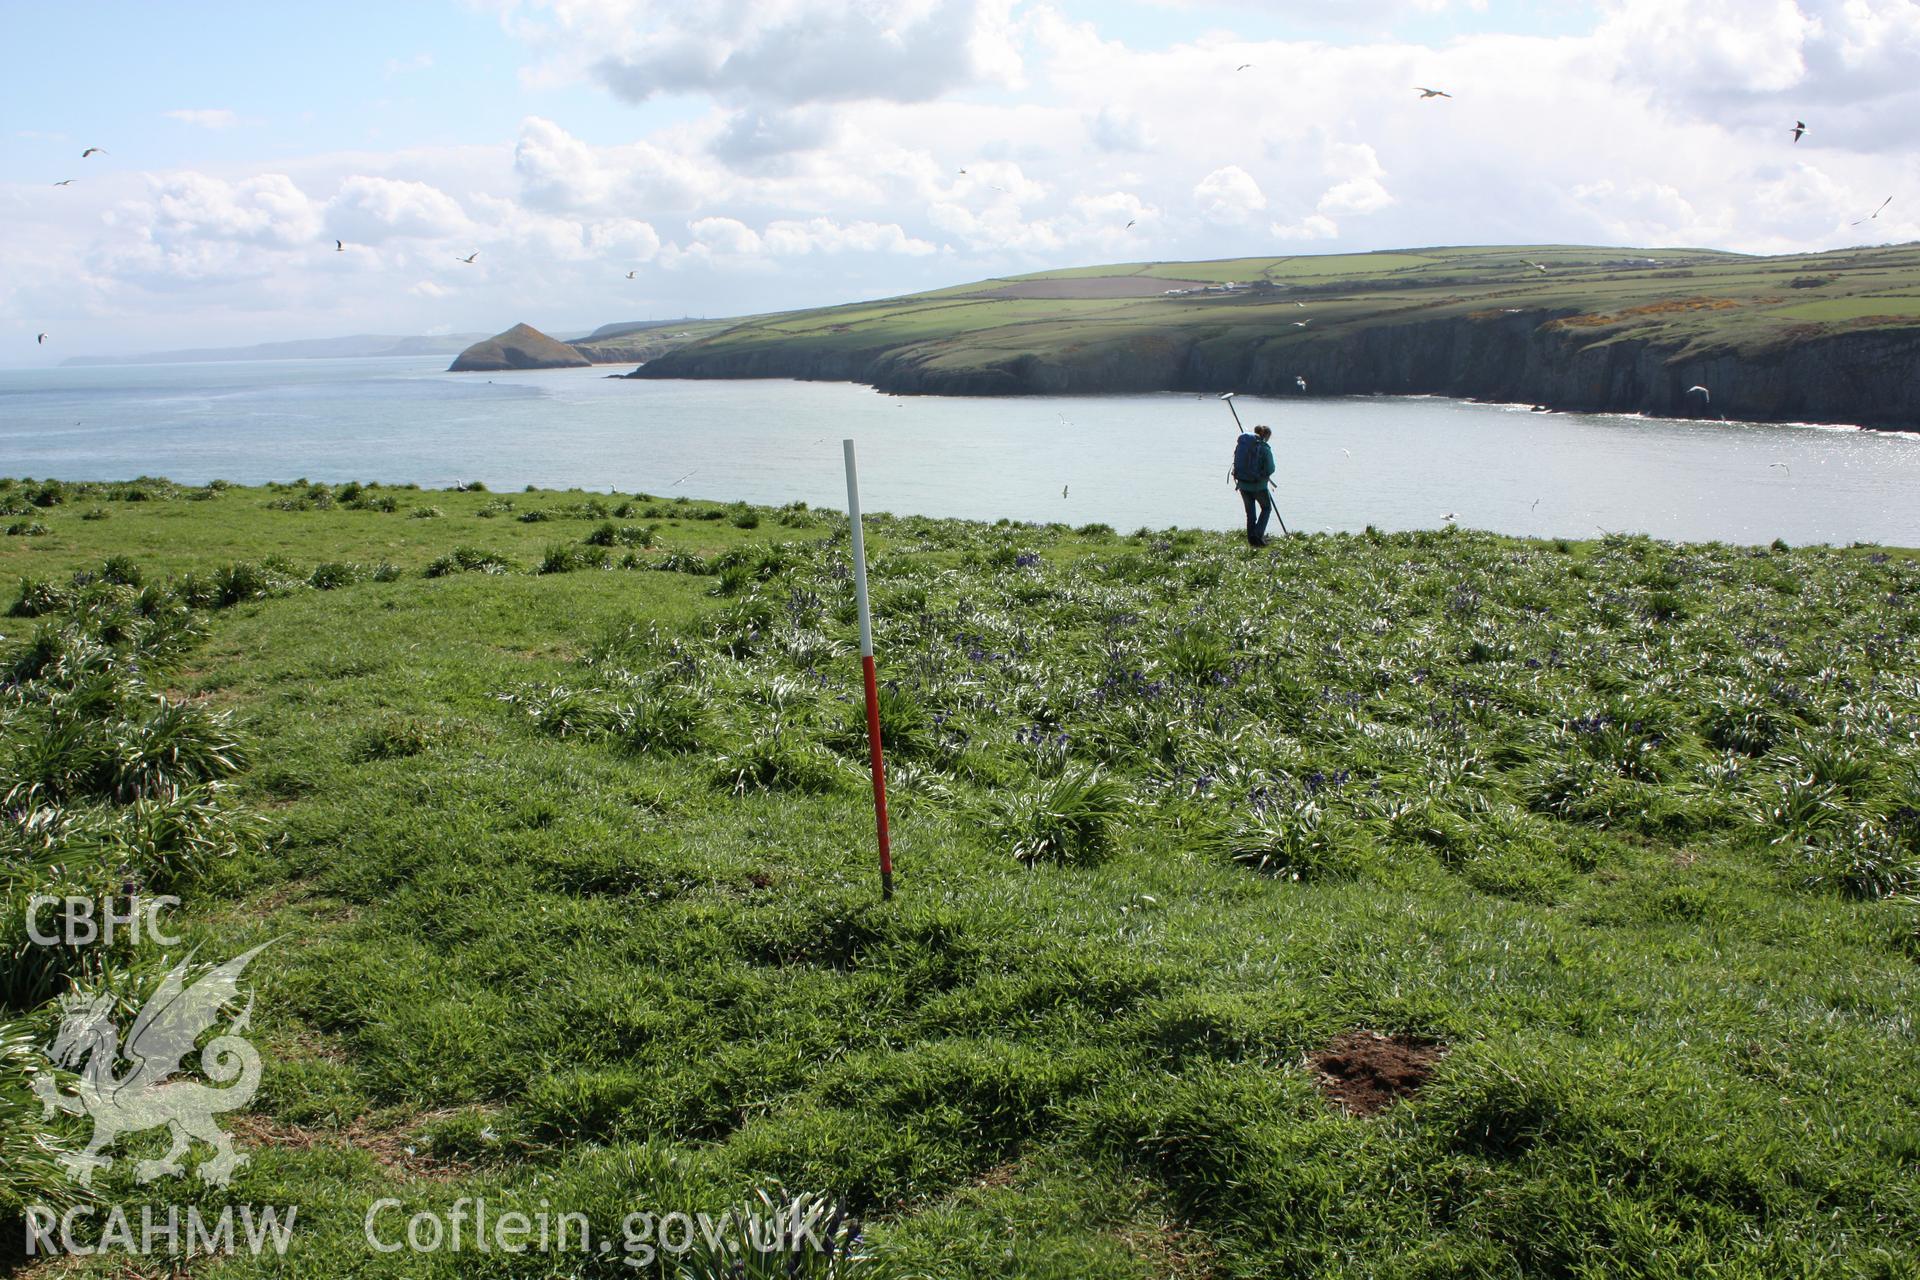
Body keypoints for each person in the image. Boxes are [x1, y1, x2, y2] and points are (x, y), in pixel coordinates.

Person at [1232, 424, 1277, 546]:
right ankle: (1257, 536)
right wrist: (1263, 474)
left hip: (1242, 484)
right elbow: (1271, 468)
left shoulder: (1244, 445)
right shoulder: (1264, 448)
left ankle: (1251, 539)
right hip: (1258, 486)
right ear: (1266, 436)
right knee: (1266, 508)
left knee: (1250, 514)